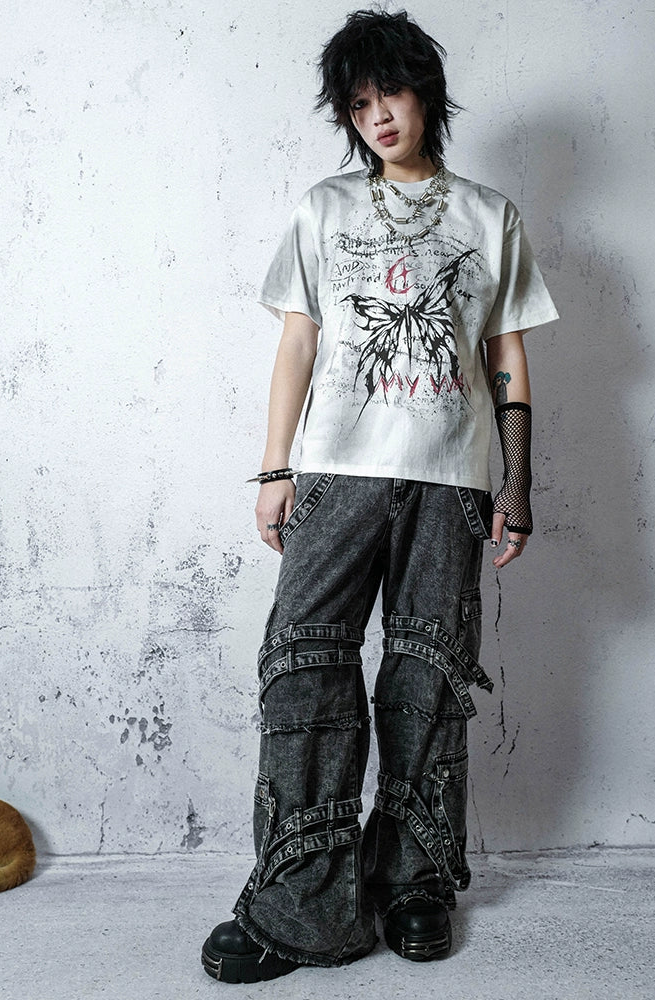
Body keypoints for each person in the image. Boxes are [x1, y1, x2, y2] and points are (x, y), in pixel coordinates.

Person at [201, 8, 558, 984]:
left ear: (425, 93)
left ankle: (413, 882)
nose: (378, 117)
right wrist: (276, 469)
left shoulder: (489, 216)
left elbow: (508, 359)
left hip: (451, 476)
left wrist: (517, 482)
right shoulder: (324, 208)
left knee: (425, 678)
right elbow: (298, 343)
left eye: (389, 94)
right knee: (303, 662)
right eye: (359, 105)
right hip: (337, 471)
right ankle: (301, 895)